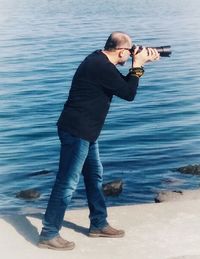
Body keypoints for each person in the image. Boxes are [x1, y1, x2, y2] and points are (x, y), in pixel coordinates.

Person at [38, 31, 160, 250]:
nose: (131, 54)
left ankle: (98, 224)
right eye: (129, 52)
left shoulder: (99, 60)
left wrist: (139, 64)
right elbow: (129, 93)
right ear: (122, 51)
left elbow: (122, 85)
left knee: (94, 176)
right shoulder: (100, 66)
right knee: (66, 183)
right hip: (76, 132)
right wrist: (138, 64)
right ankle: (48, 234)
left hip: (86, 132)